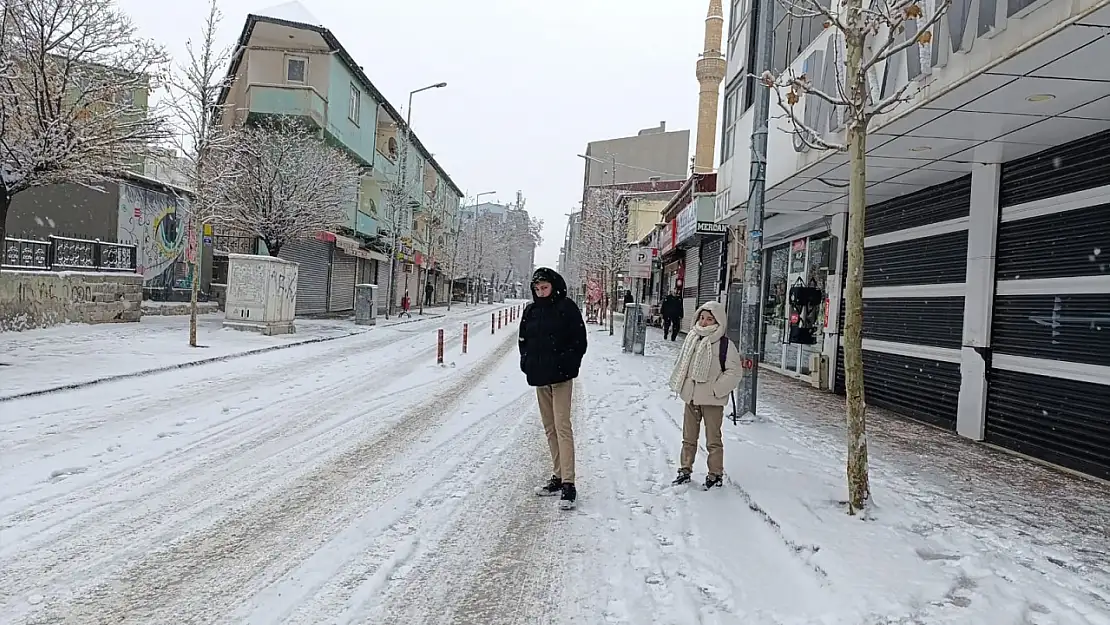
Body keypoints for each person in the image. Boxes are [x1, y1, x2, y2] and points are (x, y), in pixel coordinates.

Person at [519, 267, 588, 510]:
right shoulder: (531, 311)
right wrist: (527, 363)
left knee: (562, 426)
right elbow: (523, 341)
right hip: (540, 378)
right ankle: (558, 476)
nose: (541, 292)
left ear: (554, 286)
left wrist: (565, 364)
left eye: (544, 287)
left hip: (561, 378)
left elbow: (579, 341)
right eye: (537, 289)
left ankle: (569, 483)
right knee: (550, 428)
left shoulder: (567, 308)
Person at [668, 300, 742, 489]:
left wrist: (716, 390)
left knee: (713, 440)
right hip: (691, 396)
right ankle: (685, 469)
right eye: (702, 317)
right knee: (688, 437)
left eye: (709, 319)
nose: (704, 322)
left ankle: (715, 474)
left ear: (718, 321)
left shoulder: (725, 344)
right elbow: (684, 364)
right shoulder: (692, 338)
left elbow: (734, 372)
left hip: (712, 400)